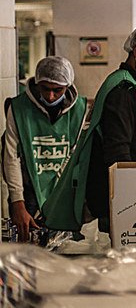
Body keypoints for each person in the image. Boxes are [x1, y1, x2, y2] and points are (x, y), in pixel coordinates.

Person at [42, 22, 136, 232]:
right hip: (115, 205)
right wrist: (131, 207)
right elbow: (118, 154)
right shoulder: (123, 90)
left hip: (134, 198)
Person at [2, 57, 87, 241]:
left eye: (58, 90)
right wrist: (17, 202)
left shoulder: (80, 110)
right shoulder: (18, 108)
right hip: (27, 193)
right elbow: (11, 157)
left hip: (62, 192)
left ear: (68, 86)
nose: (50, 96)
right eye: (45, 89)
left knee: (62, 251)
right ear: (37, 82)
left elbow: (76, 156)